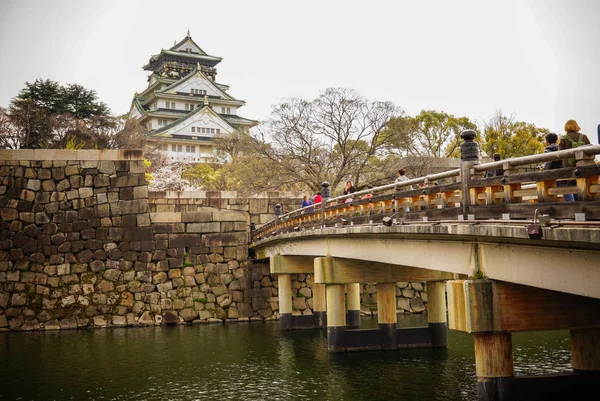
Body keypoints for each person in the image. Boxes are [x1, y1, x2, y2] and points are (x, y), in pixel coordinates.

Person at [558, 119, 591, 201]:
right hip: (584, 166)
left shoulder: (563, 138)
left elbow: (559, 154)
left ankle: (577, 209)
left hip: (569, 167)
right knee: (585, 186)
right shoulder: (584, 137)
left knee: (573, 188)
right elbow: (590, 149)